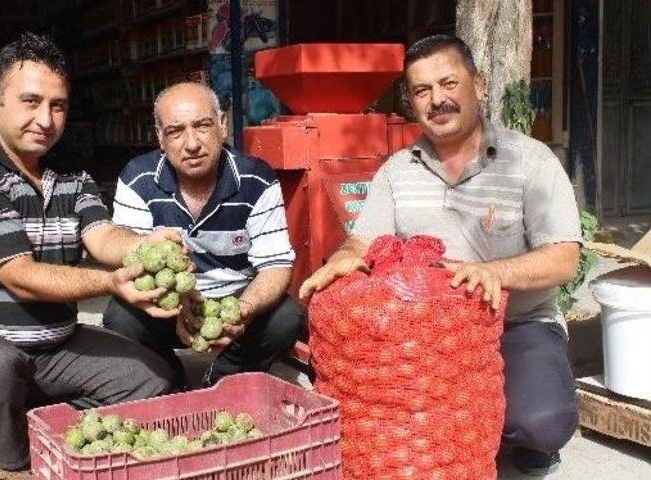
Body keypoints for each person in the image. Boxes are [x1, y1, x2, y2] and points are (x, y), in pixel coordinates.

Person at [299, 35, 581, 476]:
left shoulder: (530, 161)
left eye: (448, 83)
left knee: (540, 423)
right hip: (425, 335)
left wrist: (490, 272)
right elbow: (362, 241)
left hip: (516, 324)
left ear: (479, 85)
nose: (437, 100)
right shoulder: (397, 170)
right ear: (411, 102)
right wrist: (343, 260)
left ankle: (518, 433)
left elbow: (564, 258)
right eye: (422, 91)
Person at [0, 33, 182, 480]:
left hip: (52, 345)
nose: (45, 119)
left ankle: (29, 415)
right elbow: (21, 276)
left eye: (58, 105)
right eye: (31, 101)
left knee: (154, 381)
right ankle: (7, 457)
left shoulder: (71, 178)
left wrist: (146, 246)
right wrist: (113, 283)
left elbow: (102, 236)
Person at [103, 82, 305, 388]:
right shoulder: (139, 177)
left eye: (202, 125)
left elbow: (276, 265)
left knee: (287, 318)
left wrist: (244, 310)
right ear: (160, 137)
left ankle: (225, 375)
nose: (192, 143)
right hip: (168, 302)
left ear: (222, 126)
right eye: (175, 131)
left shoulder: (256, 179)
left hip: (235, 299)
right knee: (120, 317)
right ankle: (166, 375)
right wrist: (179, 304)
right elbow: (130, 259)